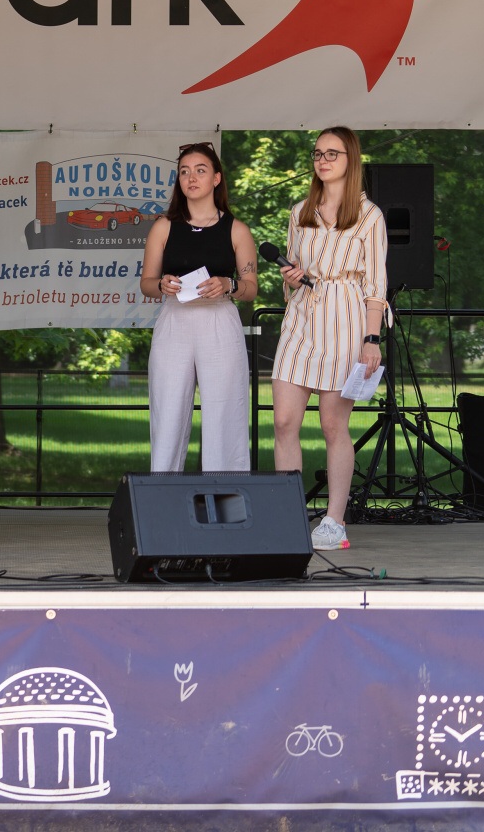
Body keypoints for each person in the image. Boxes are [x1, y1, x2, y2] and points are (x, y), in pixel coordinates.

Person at [271, 126, 388, 551]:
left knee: (333, 424)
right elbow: (292, 271)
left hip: (346, 318)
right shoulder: (300, 210)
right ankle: (287, 516)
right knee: (284, 421)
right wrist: (291, 277)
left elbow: (376, 285)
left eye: (332, 153)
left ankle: (334, 521)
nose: (322, 160)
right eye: (318, 153)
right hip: (302, 317)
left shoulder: (369, 215)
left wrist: (371, 338)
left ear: (350, 159)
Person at [140, 141, 258, 473]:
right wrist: (161, 285)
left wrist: (228, 284)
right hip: (174, 320)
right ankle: (162, 491)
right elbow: (146, 282)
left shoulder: (237, 229)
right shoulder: (163, 226)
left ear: (216, 178)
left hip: (219, 320)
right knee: (168, 411)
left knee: (225, 412)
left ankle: (227, 494)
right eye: (184, 172)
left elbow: (251, 288)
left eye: (200, 171)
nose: (191, 178)